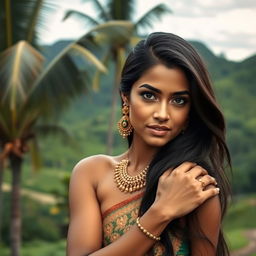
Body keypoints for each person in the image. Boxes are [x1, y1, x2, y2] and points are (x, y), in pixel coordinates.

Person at [67, 32, 231, 256]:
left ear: (190, 111)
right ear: (126, 97)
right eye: (149, 96)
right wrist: (161, 212)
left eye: (179, 100)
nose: (162, 114)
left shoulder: (194, 185)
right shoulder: (90, 173)